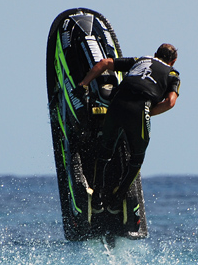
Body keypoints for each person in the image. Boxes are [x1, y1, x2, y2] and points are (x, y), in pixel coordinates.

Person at [74, 43, 180, 213]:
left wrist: (83, 84)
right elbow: (170, 102)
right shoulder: (173, 74)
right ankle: (117, 200)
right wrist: (146, 113)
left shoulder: (142, 60)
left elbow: (104, 63)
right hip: (139, 109)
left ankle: (97, 199)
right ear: (173, 61)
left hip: (117, 104)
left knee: (104, 152)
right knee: (136, 159)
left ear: (155, 53)